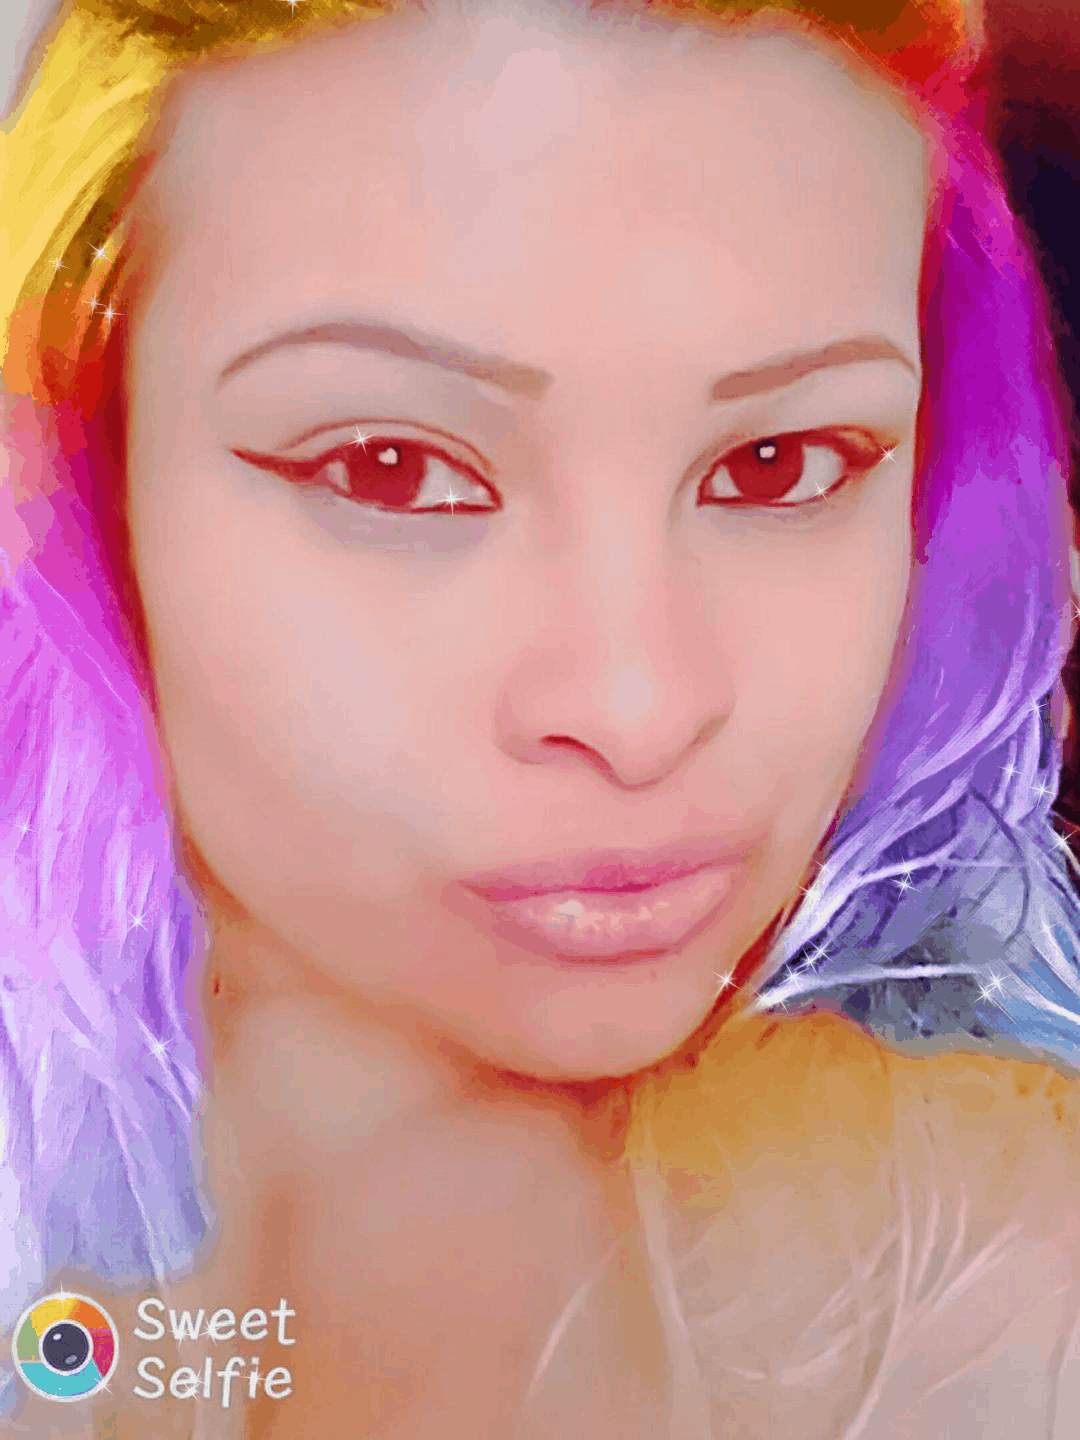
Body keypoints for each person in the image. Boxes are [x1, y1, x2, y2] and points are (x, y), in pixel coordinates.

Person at [3, 0, 1080, 1435]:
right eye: (390, 469)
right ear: (81, 479)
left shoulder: (1002, 1294)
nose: (640, 710)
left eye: (779, 463)